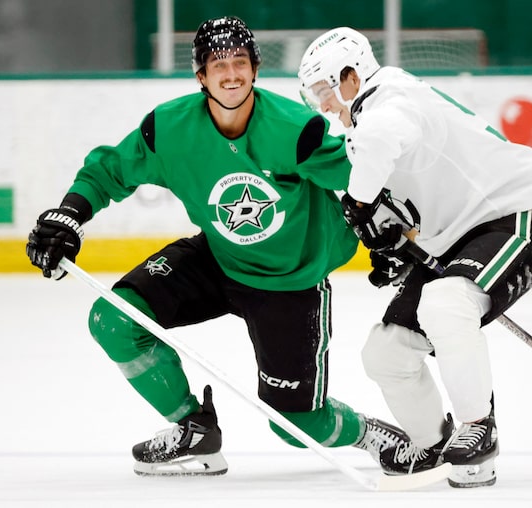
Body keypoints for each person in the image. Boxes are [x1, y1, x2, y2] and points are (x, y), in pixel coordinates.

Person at [25, 17, 411, 477]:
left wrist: (398, 235)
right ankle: (194, 429)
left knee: (295, 424)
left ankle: (370, 434)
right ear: (200, 76)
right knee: (113, 320)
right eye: (218, 64)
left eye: (240, 62)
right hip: (219, 258)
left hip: (291, 282)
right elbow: (108, 170)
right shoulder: (168, 130)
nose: (231, 73)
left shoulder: (295, 129)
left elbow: (364, 179)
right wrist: (70, 213)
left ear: (255, 69)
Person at [298, 27, 532, 488]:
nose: (324, 105)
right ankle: (432, 442)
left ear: (350, 76)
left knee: (444, 304)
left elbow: (387, 134)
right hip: (455, 237)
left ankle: (478, 426)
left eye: (324, 91)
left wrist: (357, 203)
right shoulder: (368, 124)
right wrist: (395, 245)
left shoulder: (391, 99)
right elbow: (406, 202)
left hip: (512, 214)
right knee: (385, 352)